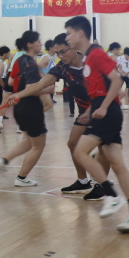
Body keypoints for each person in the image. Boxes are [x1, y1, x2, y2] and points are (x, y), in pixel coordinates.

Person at [64, 15, 129, 232]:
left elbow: (117, 81)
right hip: (102, 110)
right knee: (118, 164)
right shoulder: (88, 58)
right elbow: (98, 90)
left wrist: (102, 107)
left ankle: (111, 194)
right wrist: (89, 111)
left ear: (80, 33)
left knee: (80, 152)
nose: (67, 38)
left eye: (69, 33)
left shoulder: (96, 54)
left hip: (107, 113)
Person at [13, 34, 107, 200]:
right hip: (84, 112)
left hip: (103, 109)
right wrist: (18, 95)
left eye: (63, 51)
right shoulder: (62, 68)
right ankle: (83, 181)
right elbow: (40, 84)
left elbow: (111, 86)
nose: (61, 56)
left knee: (104, 148)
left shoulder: (91, 61)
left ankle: (102, 186)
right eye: (57, 53)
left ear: (74, 48)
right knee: (73, 143)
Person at [0, 30, 51, 187]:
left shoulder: (19, 60)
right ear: (30, 44)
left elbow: (11, 82)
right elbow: (34, 89)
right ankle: (21, 177)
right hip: (31, 106)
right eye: (38, 41)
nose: (41, 44)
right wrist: (49, 87)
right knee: (39, 145)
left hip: (19, 107)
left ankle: (4, 160)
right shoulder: (31, 64)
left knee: (29, 141)